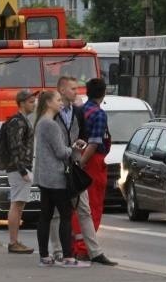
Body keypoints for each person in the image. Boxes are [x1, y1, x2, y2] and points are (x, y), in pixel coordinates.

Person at [49, 76, 118, 266]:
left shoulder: (80, 111)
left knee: (83, 209)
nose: (76, 92)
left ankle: (92, 251)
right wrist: (81, 159)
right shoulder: (53, 114)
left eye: (78, 88)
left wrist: (79, 157)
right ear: (62, 91)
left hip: (76, 163)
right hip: (66, 165)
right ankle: (63, 250)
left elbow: (82, 137)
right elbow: (94, 142)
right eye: (72, 88)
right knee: (59, 212)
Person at [33, 90, 89, 267]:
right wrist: (73, 148)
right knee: (66, 214)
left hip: (43, 176)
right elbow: (60, 152)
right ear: (49, 103)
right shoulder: (51, 125)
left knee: (45, 215)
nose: (61, 103)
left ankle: (44, 255)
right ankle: (68, 256)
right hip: (56, 176)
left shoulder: (40, 123)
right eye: (57, 100)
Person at [71, 78, 111, 260]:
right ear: (103, 94)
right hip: (93, 162)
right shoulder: (99, 114)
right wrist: (84, 163)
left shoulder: (80, 110)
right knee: (93, 205)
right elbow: (95, 143)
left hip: (79, 155)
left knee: (78, 205)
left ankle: (74, 244)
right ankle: (84, 248)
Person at [6, 89, 38, 254]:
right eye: (31, 102)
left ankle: (15, 240)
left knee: (19, 204)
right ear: (22, 103)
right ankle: (13, 242)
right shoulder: (18, 122)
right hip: (19, 168)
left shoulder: (24, 120)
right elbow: (15, 147)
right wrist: (23, 170)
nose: (34, 104)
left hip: (21, 167)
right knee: (17, 204)